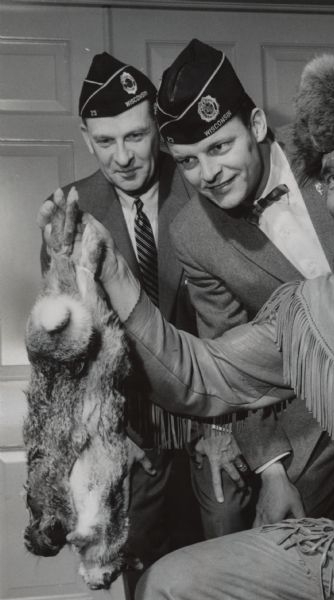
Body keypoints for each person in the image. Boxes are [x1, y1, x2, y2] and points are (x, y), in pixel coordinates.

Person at [43, 54, 334, 600]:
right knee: (164, 583)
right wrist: (113, 273)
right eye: (332, 173)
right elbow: (203, 372)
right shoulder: (312, 306)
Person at [155, 38, 334, 537]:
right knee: (285, 546)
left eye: (219, 147)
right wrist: (273, 470)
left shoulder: (332, 145)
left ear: (257, 126)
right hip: (317, 411)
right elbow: (229, 363)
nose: (208, 174)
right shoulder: (191, 235)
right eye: (188, 160)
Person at [39, 52, 201, 595]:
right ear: (86, 138)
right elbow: (70, 353)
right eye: (105, 142)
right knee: (149, 585)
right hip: (131, 442)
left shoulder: (203, 182)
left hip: (215, 430)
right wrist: (103, 441)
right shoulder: (69, 210)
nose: (124, 157)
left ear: (157, 126)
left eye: (136, 136)